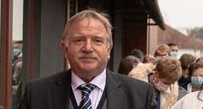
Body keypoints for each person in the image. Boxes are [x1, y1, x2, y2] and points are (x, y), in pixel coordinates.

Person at [18, 9, 155, 109]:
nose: (88, 48)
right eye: (79, 40)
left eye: (97, 40)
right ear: (65, 49)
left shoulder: (140, 96)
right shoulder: (37, 93)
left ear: (109, 49)